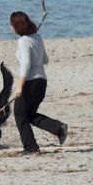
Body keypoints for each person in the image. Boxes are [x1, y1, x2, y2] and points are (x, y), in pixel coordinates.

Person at [10, 11, 68, 154]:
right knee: (29, 114)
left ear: (17, 26)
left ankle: (30, 147)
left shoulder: (23, 41)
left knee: (19, 114)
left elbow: (26, 64)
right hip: (41, 82)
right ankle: (58, 128)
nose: (10, 27)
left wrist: (19, 86)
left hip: (30, 83)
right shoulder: (37, 37)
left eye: (11, 24)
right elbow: (45, 60)